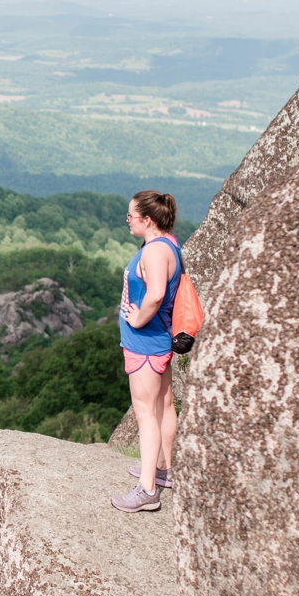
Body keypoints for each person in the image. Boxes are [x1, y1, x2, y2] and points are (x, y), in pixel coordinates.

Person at [110, 190, 181, 513]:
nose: (127, 221)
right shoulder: (169, 244)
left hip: (145, 344)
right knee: (164, 405)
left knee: (145, 413)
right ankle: (163, 468)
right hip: (159, 341)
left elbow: (154, 295)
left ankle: (147, 490)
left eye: (131, 216)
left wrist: (136, 318)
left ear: (147, 219)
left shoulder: (153, 252)